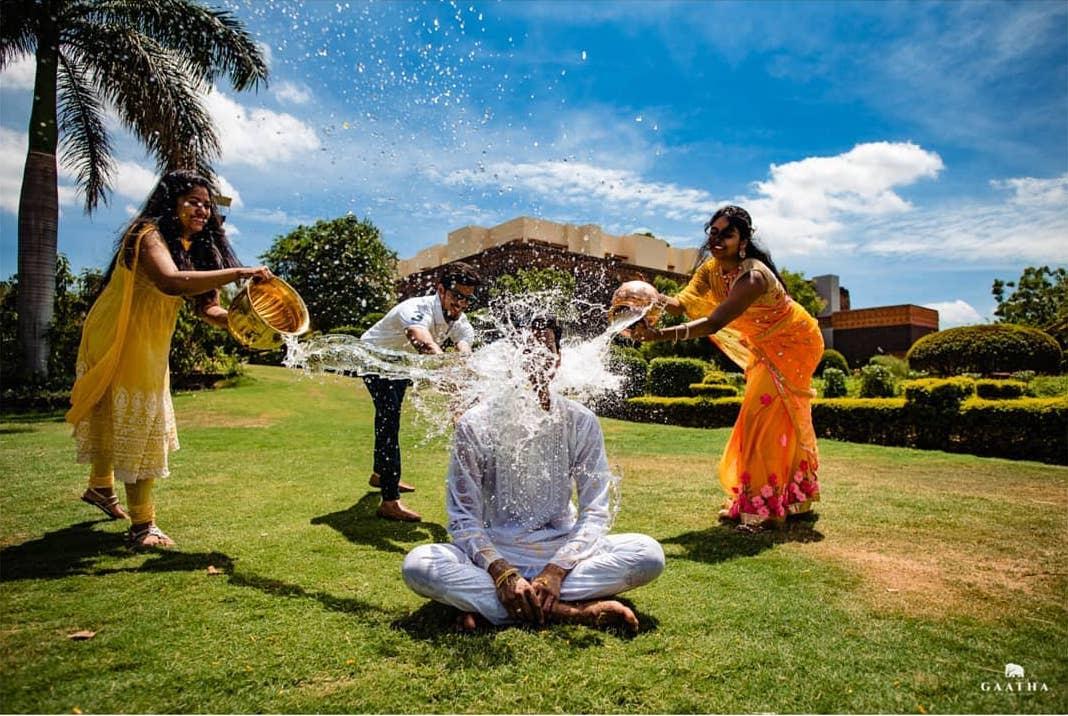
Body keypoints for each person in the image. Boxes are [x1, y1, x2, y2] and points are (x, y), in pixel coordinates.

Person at [402, 316, 665, 633]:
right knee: (418, 565)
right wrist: (502, 572)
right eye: (527, 349)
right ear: (510, 359)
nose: (537, 357)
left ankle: (501, 607)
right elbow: (462, 519)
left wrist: (556, 570)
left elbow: (595, 511)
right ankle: (570, 612)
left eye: (546, 348)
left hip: (562, 551)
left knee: (648, 554)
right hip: (495, 554)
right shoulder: (477, 423)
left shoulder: (580, 421)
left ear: (558, 359)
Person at [66, 170, 273, 549]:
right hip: (117, 332)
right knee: (138, 419)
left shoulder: (198, 249)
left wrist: (245, 327)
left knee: (124, 413)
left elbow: (208, 309)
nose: (202, 209)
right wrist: (241, 272)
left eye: (207, 204)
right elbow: (170, 281)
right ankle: (143, 526)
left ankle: (100, 488)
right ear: (171, 202)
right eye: (193, 201)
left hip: (150, 341)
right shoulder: (147, 235)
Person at [629, 205, 823, 529]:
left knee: (763, 420)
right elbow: (682, 306)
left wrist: (657, 337)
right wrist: (651, 296)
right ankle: (789, 499)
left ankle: (764, 508)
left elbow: (714, 323)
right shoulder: (710, 270)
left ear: (743, 240)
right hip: (764, 346)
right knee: (765, 419)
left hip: (795, 344)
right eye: (713, 232)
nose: (718, 240)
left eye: (727, 234)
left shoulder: (753, 277)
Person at [359, 262, 482, 522]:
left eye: (467, 298)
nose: (460, 303)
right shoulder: (416, 308)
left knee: (390, 417)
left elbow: (464, 355)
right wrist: (446, 377)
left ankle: (381, 475)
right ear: (440, 290)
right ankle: (389, 501)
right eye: (456, 295)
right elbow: (423, 342)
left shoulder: (460, 320)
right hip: (373, 359)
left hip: (400, 363)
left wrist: (462, 396)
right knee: (389, 419)